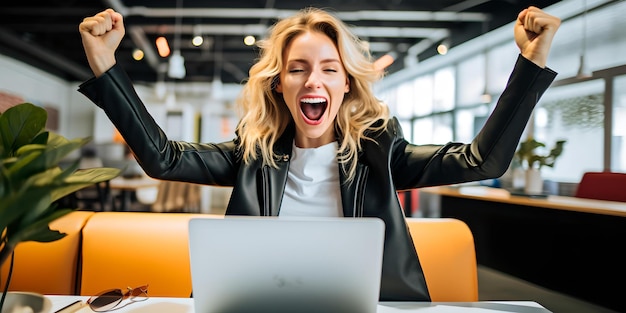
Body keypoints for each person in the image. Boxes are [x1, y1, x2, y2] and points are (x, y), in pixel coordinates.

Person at [78, 6, 560, 301]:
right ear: (280, 84)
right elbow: (163, 158)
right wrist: (106, 66)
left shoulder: (380, 152)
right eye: (298, 69)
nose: (313, 80)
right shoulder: (253, 152)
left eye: (329, 69)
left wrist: (531, 61)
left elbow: (483, 161)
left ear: (345, 82)